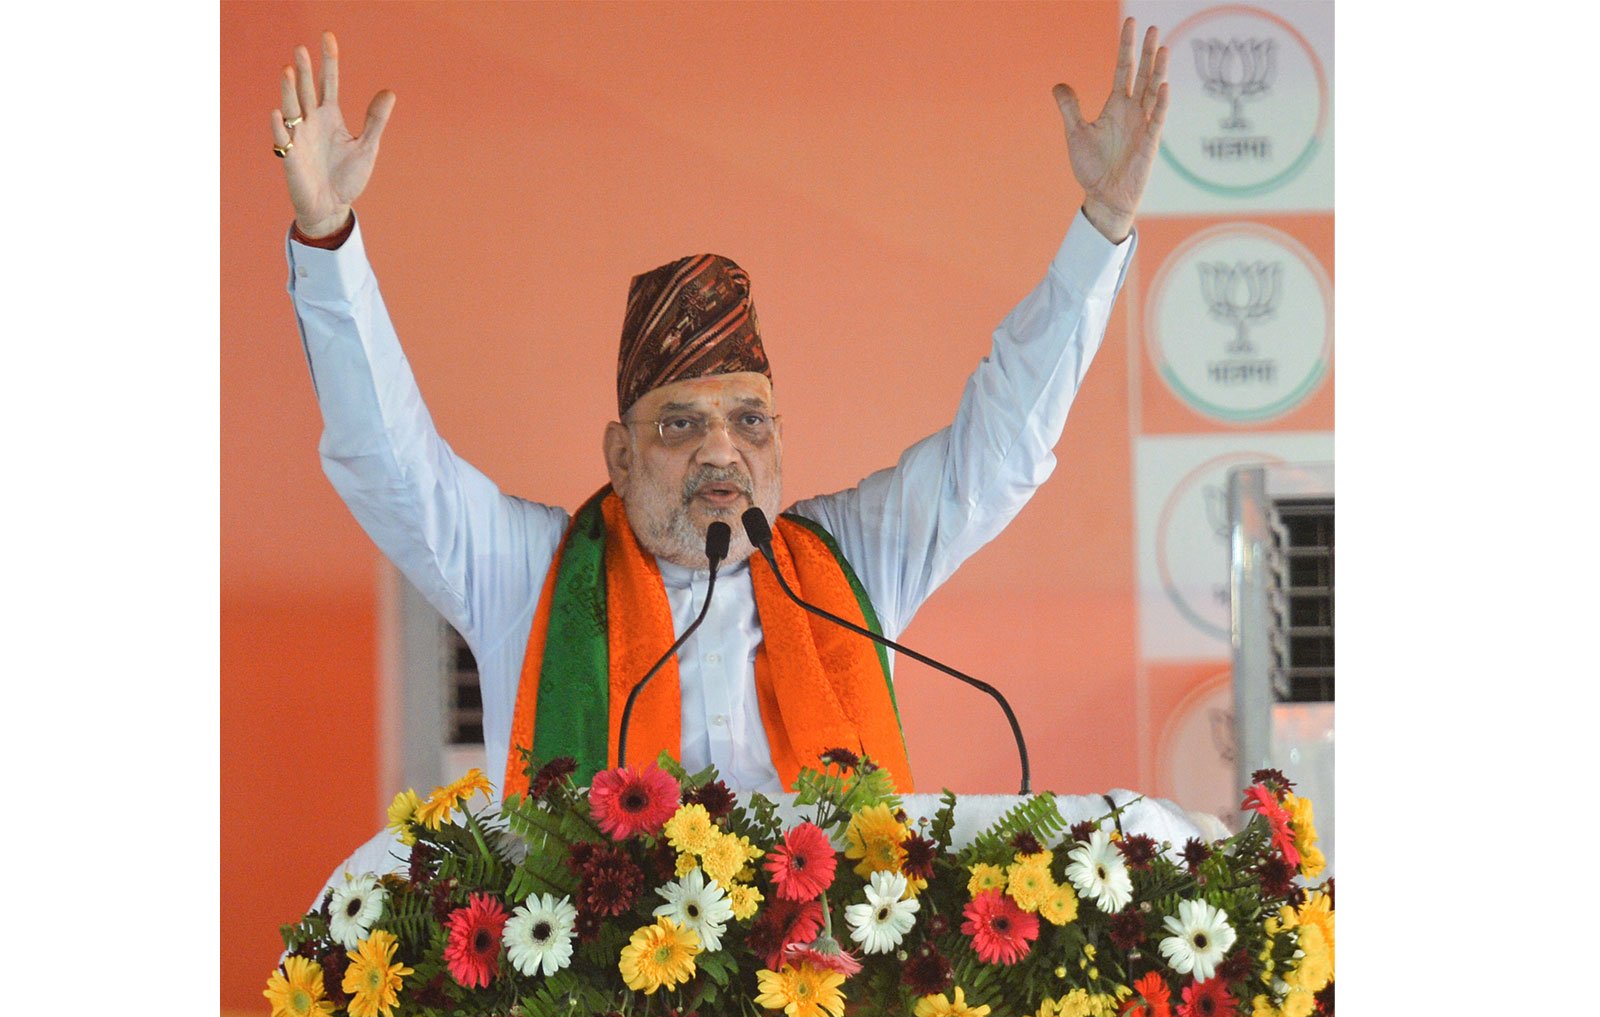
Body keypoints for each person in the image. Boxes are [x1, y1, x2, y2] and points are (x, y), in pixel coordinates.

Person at [275, 21, 1170, 801]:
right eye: (679, 424)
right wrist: (328, 244)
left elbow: (1001, 449)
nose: (721, 451)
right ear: (619, 459)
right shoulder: (529, 577)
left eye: (750, 420)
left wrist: (1103, 226)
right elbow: (389, 461)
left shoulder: (853, 566)